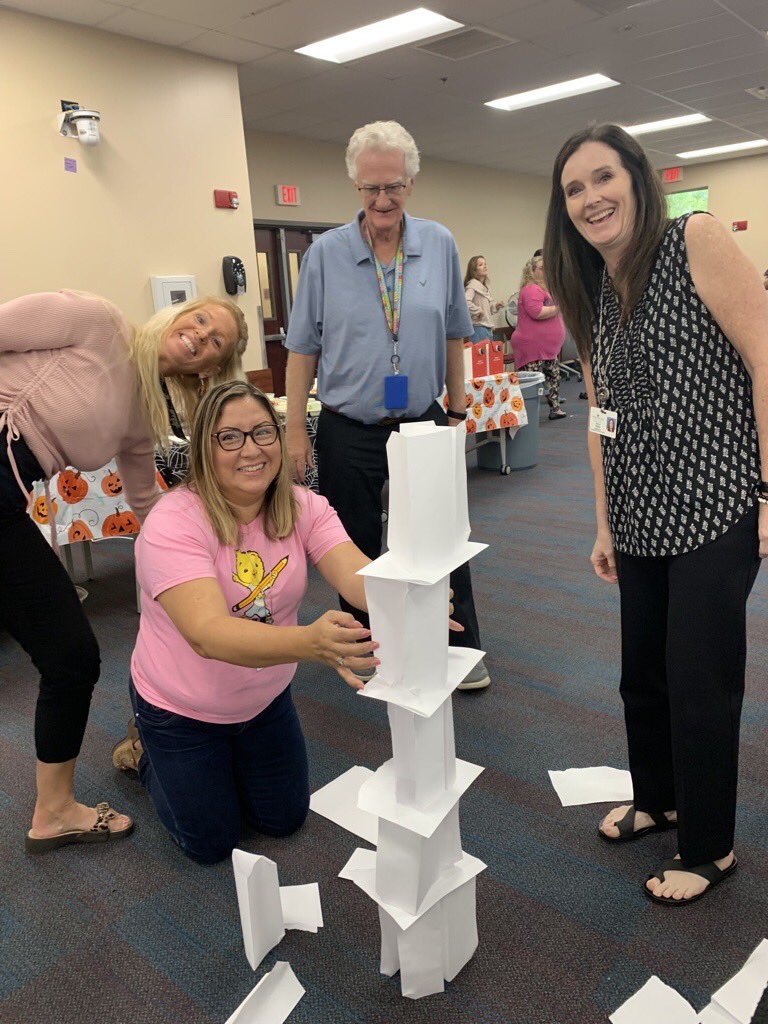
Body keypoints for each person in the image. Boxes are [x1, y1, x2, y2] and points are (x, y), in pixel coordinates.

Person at [544, 123, 767, 905]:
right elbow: (600, 412)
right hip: (639, 512)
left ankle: (709, 849)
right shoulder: (589, 288)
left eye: (603, 178)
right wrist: (604, 520)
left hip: (717, 499)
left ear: (638, 179)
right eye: (574, 188)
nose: (591, 198)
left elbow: (765, 356)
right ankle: (659, 799)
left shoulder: (694, 240)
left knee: (699, 678)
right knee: (642, 673)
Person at [0, 290, 247, 851]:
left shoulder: (145, 411)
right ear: (181, 313)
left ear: (210, 366)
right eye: (201, 320)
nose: (200, 336)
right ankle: (55, 810)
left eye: (215, 343)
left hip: (8, 497)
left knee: (69, 657)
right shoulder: (98, 320)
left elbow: (145, 503)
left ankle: (54, 811)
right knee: (70, 656)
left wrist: (219, 546)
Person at [117, 380, 381, 863]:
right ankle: (146, 752)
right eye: (229, 437)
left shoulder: (303, 506)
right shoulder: (174, 522)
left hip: (263, 699)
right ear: (203, 449)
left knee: (283, 821)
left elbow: (359, 575)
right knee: (211, 846)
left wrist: (415, 595)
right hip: (181, 709)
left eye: (263, 432)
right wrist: (310, 643)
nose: (251, 450)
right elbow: (207, 634)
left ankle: (220, 768)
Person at [283, 120, 490, 691]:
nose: (382, 200)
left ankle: (457, 645)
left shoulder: (439, 244)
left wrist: (457, 408)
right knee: (353, 546)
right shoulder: (326, 253)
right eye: (370, 189)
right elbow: (302, 348)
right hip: (348, 425)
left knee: (438, 538)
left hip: (423, 420)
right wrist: (297, 432)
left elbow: (454, 331)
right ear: (355, 187)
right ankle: (366, 650)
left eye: (393, 187)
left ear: (411, 183)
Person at [511, 255, 567, 419]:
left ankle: (555, 409)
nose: (547, 271)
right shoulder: (531, 289)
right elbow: (537, 312)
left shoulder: (545, 289)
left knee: (553, 378)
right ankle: (526, 414)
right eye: (542, 268)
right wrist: (559, 307)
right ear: (532, 271)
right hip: (532, 346)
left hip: (547, 348)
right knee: (531, 383)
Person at [464, 256, 503, 343]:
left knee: (488, 356)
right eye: (481, 265)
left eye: (485, 264)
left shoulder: (484, 287)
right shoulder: (472, 285)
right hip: (478, 328)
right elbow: (465, 302)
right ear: (474, 270)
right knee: (481, 357)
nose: (485, 266)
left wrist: (496, 306)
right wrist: (478, 311)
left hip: (487, 328)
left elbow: (488, 309)